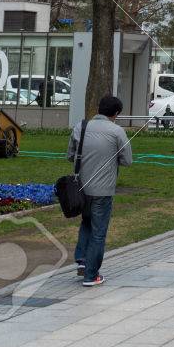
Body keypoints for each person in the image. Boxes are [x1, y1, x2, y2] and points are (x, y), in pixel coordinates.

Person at [68, 94, 133, 287]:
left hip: (80, 189)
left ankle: (82, 260)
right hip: (103, 191)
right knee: (98, 232)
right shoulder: (117, 132)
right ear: (116, 113)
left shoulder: (81, 126)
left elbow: (71, 155)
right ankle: (91, 275)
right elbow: (127, 161)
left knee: (86, 222)